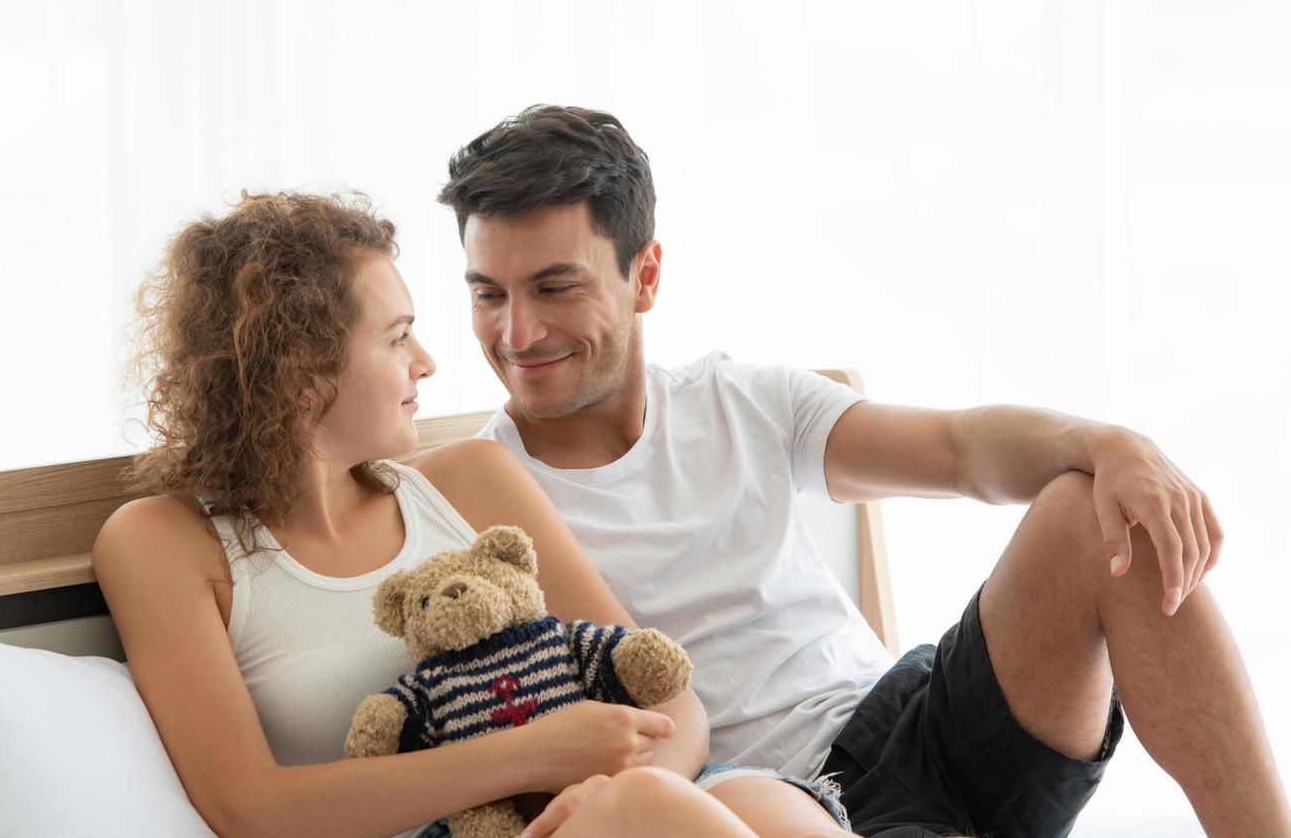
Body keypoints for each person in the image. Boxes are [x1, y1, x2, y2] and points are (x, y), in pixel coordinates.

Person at [436, 104, 1291, 838]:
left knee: (1094, 509)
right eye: (488, 294)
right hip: (757, 799)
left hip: (910, 718)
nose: (517, 334)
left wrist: (1111, 443)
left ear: (644, 276)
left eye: (554, 288)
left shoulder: (737, 401)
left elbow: (959, 450)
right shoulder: (479, 498)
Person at [91, 191, 855, 838]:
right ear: (299, 371)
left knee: (763, 802)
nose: (425, 362)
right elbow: (247, 805)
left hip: (609, 803)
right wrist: (537, 756)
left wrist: (600, 795)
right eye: (397, 338)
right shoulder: (166, 542)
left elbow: (666, 696)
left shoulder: (469, 479)